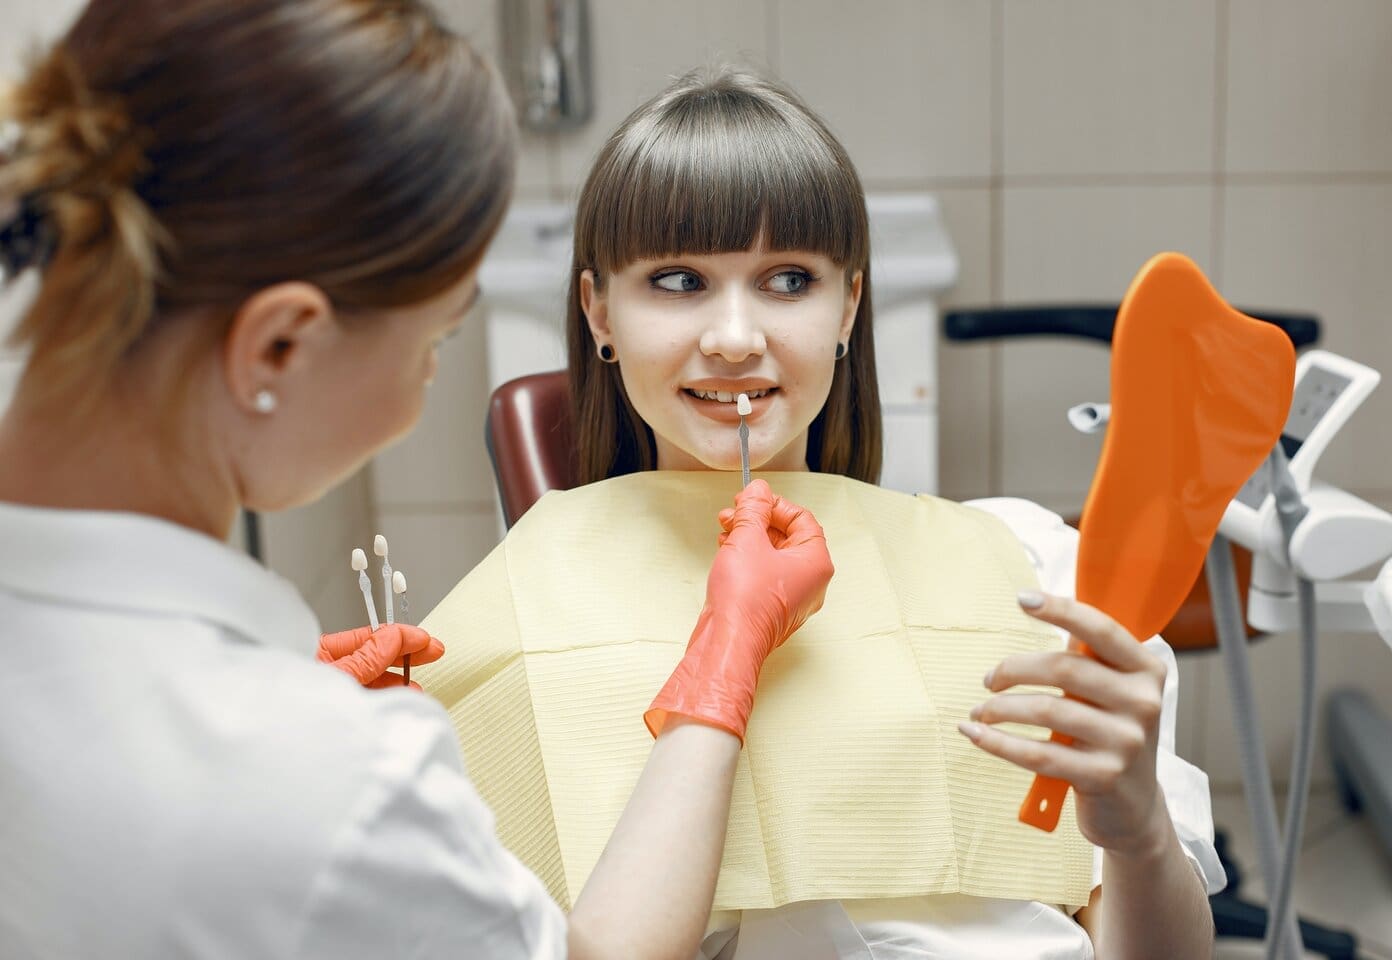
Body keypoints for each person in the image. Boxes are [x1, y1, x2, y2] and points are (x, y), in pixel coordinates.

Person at [0, 6, 833, 959]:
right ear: (278, 344)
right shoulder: (340, 782)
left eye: (790, 280)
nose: (734, 337)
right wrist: (725, 662)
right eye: (434, 342)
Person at [421, 67, 1222, 959]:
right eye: (679, 279)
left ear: (850, 304)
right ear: (597, 310)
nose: (733, 337)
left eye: (789, 279)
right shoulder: (522, 602)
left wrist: (1141, 828)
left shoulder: (1031, 564)